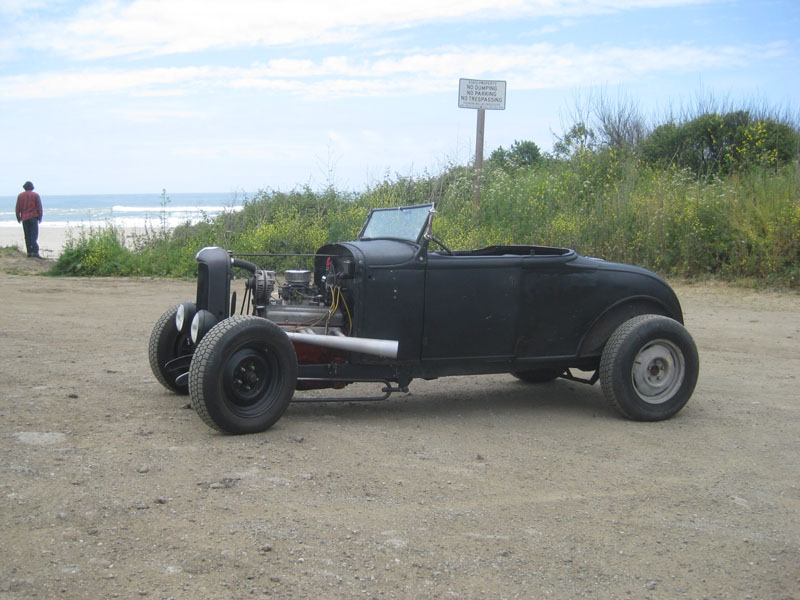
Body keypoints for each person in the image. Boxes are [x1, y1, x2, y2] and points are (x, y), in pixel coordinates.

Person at [15, 181, 43, 258]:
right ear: (32, 188)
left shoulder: (20, 196)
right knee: (34, 235)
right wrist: (40, 217)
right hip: (33, 217)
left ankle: (29, 253)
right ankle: (35, 252)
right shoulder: (35, 195)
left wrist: (18, 218)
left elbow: (18, 208)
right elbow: (39, 207)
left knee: (27, 235)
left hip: (25, 218)